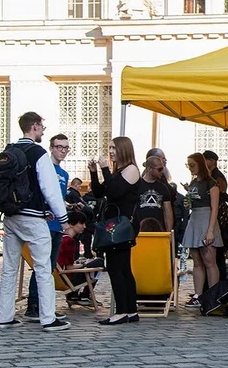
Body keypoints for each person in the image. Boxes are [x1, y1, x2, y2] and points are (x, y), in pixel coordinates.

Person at [0, 112, 71, 331]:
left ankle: (4, 316)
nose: (43, 131)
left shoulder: (10, 150)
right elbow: (49, 189)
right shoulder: (38, 153)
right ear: (35, 126)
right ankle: (48, 318)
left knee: (9, 269)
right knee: (43, 268)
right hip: (33, 218)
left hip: (11, 216)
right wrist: (63, 219)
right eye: (42, 127)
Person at [89, 136, 140, 325]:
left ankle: (122, 310)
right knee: (122, 268)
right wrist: (95, 173)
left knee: (117, 268)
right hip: (114, 225)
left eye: (114, 148)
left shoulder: (131, 169)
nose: (110, 151)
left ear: (123, 150)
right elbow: (99, 192)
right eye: (109, 147)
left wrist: (104, 169)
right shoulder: (118, 171)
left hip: (121, 226)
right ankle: (130, 310)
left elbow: (115, 191)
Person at [24, 133, 71, 322]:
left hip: (57, 225)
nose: (63, 151)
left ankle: (45, 306)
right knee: (41, 266)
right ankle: (34, 305)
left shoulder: (64, 174)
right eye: (59, 147)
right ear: (51, 147)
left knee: (50, 267)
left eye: (66, 148)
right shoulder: (45, 167)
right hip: (44, 224)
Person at [181, 153, 224, 308]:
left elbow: (214, 208)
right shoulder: (194, 182)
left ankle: (213, 295)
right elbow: (193, 202)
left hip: (206, 220)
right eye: (188, 165)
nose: (190, 168)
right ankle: (198, 294)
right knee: (197, 261)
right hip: (195, 219)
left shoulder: (211, 183)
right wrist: (188, 203)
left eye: (192, 165)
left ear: (200, 164)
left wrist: (210, 230)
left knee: (209, 261)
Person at [58, 211, 104, 305]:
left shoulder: (60, 238)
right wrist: (84, 264)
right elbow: (69, 268)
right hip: (67, 278)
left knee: (90, 263)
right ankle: (85, 295)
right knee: (99, 262)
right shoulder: (69, 241)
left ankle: (74, 295)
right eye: (81, 223)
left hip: (59, 276)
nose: (84, 226)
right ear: (71, 223)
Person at [203, 150, 228, 281]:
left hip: (218, 218)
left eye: (205, 160)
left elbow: (221, 195)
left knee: (218, 255)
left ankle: (218, 283)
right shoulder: (208, 176)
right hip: (213, 216)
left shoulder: (217, 177)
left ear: (212, 161)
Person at [134, 156, 173, 232]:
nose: (162, 171)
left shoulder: (163, 188)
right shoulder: (136, 185)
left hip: (158, 231)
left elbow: (168, 212)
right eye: (159, 169)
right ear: (149, 169)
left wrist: (168, 233)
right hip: (139, 231)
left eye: (163, 168)